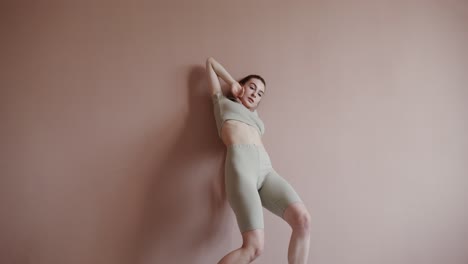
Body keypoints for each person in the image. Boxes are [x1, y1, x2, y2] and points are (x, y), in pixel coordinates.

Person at [206, 57, 311, 264]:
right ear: (241, 87)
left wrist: (248, 94)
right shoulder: (222, 103)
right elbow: (210, 63)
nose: (255, 93)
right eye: (252, 87)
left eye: (260, 93)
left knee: (303, 220)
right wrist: (231, 82)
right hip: (241, 169)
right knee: (254, 247)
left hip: (266, 170)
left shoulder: (257, 120)